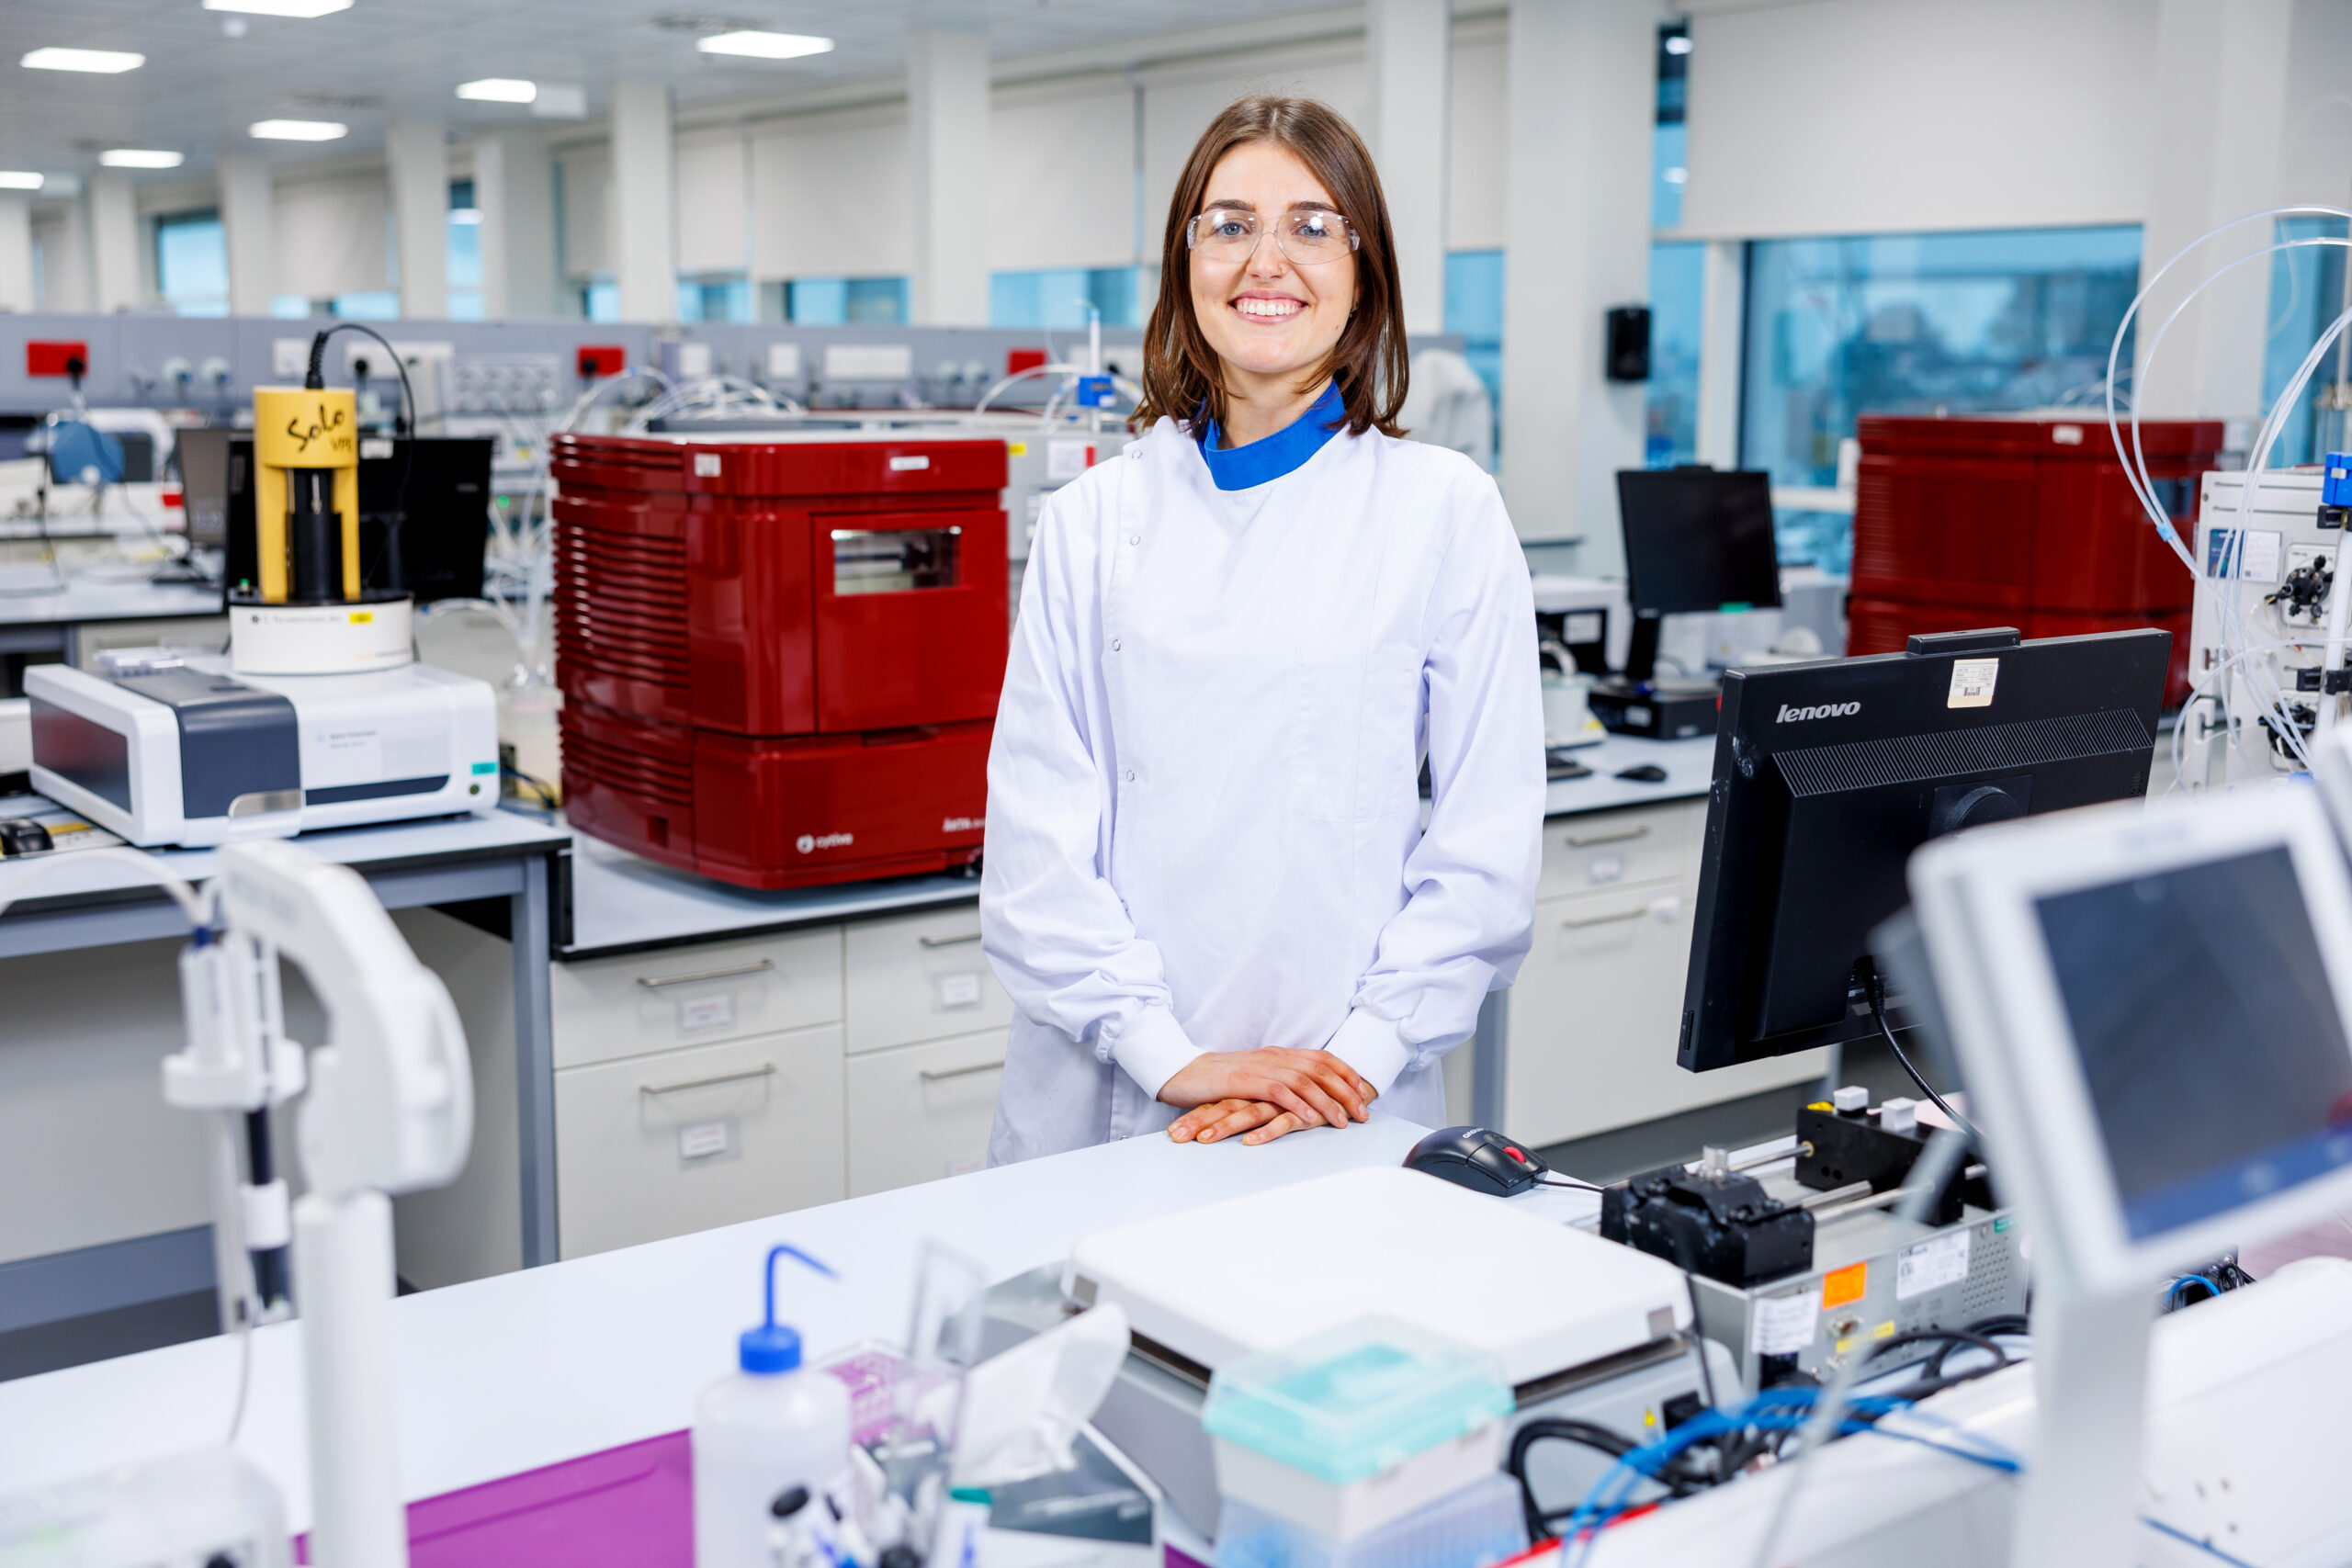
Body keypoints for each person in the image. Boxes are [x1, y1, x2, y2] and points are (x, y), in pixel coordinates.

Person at [980, 95, 1544, 1163]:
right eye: (1229, 224)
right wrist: (1165, 1054)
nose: (1265, 261)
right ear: (1183, 264)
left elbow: (1486, 848)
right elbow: (1033, 851)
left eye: (1311, 226)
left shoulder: (1443, 508)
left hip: (1345, 1091)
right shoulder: (1095, 517)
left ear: (1364, 271)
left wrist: (1355, 1061)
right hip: (1108, 1090)